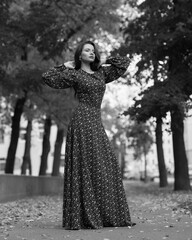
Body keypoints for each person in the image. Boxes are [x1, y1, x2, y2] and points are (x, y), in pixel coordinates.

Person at [42, 40, 135, 230]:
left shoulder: (102, 72)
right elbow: (47, 77)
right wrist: (64, 66)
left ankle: (106, 215)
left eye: (93, 51)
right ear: (79, 55)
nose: (91, 53)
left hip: (95, 120)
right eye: (87, 50)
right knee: (83, 166)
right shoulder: (74, 74)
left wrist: (105, 60)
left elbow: (124, 63)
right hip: (81, 120)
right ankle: (83, 216)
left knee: (106, 165)